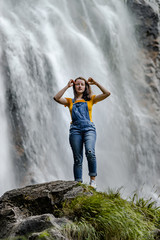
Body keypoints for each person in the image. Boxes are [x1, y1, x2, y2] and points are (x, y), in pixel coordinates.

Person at [53, 77, 111, 189]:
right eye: (77, 84)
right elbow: (56, 98)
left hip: (89, 129)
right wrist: (67, 86)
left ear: (85, 87)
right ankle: (78, 184)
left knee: (90, 152)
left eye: (82, 84)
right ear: (74, 86)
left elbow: (107, 93)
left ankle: (92, 181)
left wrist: (96, 83)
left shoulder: (91, 99)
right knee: (77, 158)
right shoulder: (70, 101)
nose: (80, 86)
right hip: (75, 130)